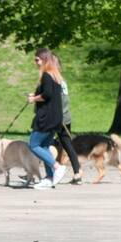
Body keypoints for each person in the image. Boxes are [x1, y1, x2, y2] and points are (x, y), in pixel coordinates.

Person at [27, 48, 69, 190]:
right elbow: (49, 93)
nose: (35, 62)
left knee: (33, 144)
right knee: (44, 146)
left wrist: (33, 99)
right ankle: (49, 178)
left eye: (37, 60)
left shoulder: (46, 75)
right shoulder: (55, 75)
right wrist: (36, 94)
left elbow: (47, 95)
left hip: (46, 117)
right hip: (56, 117)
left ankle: (57, 167)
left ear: (44, 60)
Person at [51, 53, 82, 184]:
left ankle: (33, 172)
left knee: (38, 143)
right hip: (65, 117)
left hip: (57, 117)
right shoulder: (61, 80)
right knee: (67, 145)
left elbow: (55, 101)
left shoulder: (54, 80)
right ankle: (77, 173)